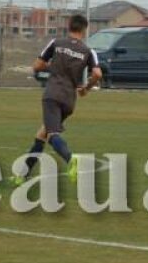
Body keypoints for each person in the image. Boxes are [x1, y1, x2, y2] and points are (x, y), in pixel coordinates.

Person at [14, 13, 101, 184]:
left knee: (52, 134)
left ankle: (71, 159)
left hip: (52, 95)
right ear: (84, 30)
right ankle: (22, 175)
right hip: (69, 100)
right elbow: (97, 74)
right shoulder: (88, 51)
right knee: (42, 134)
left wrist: (51, 66)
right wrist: (86, 89)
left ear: (68, 26)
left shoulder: (56, 43)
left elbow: (37, 66)